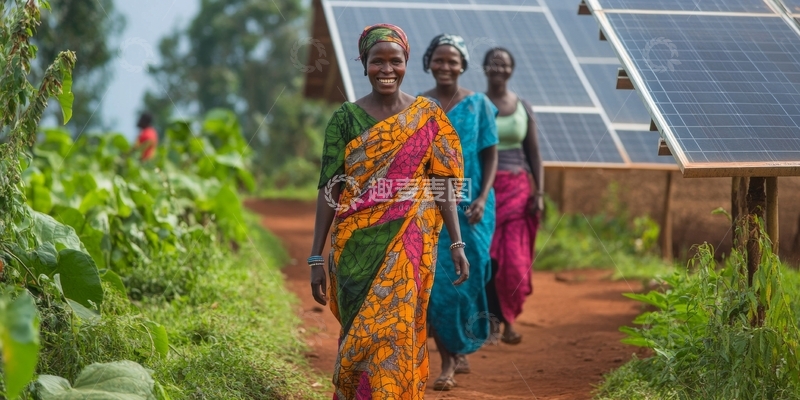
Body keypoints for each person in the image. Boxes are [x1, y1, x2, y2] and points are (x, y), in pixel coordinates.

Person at [308, 24, 469, 399]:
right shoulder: (344, 119)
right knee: (362, 334)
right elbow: (329, 188)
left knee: (395, 333)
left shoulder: (428, 117)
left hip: (409, 246)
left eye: (394, 61)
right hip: (353, 250)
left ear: (406, 63)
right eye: (376, 60)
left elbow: (444, 183)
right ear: (363, 63)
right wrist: (317, 254)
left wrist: (457, 242)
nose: (386, 69)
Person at [420, 34, 499, 391]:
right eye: (439, 59)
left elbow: (490, 154)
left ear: (463, 65)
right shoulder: (417, 105)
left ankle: (461, 340)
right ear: (428, 62)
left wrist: (482, 197)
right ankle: (448, 360)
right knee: (439, 282)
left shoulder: (480, 104)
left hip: (473, 206)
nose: (446, 66)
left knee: (475, 271)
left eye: (453, 61)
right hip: (429, 204)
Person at [483, 47, 545, 345]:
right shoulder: (477, 105)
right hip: (485, 191)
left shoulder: (523, 106)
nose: (499, 68)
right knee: (488, 260)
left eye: (504, 64)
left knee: (515, 261)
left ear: (512, 69)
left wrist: (540, 192)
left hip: (519, 192)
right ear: (484, 68)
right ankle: (493, 323)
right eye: (493, 63)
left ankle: (510, 321)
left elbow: (534, 153)